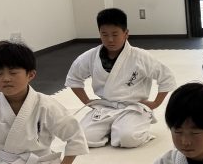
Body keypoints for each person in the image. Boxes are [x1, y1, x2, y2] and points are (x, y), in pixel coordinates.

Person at [65, 8, 176, 148]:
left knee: (128, 138)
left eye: (115, 34)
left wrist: (155, 103)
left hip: (132, 107)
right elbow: (74, 78)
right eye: (104, 34)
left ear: (126, 33)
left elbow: (166, 78)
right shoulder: (91, 56)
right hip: (105, 107)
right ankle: (114, 128)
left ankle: (129, 125)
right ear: (99, 34)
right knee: (82, 138)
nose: (110, 39)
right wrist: (86, 101)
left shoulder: (140, 56)